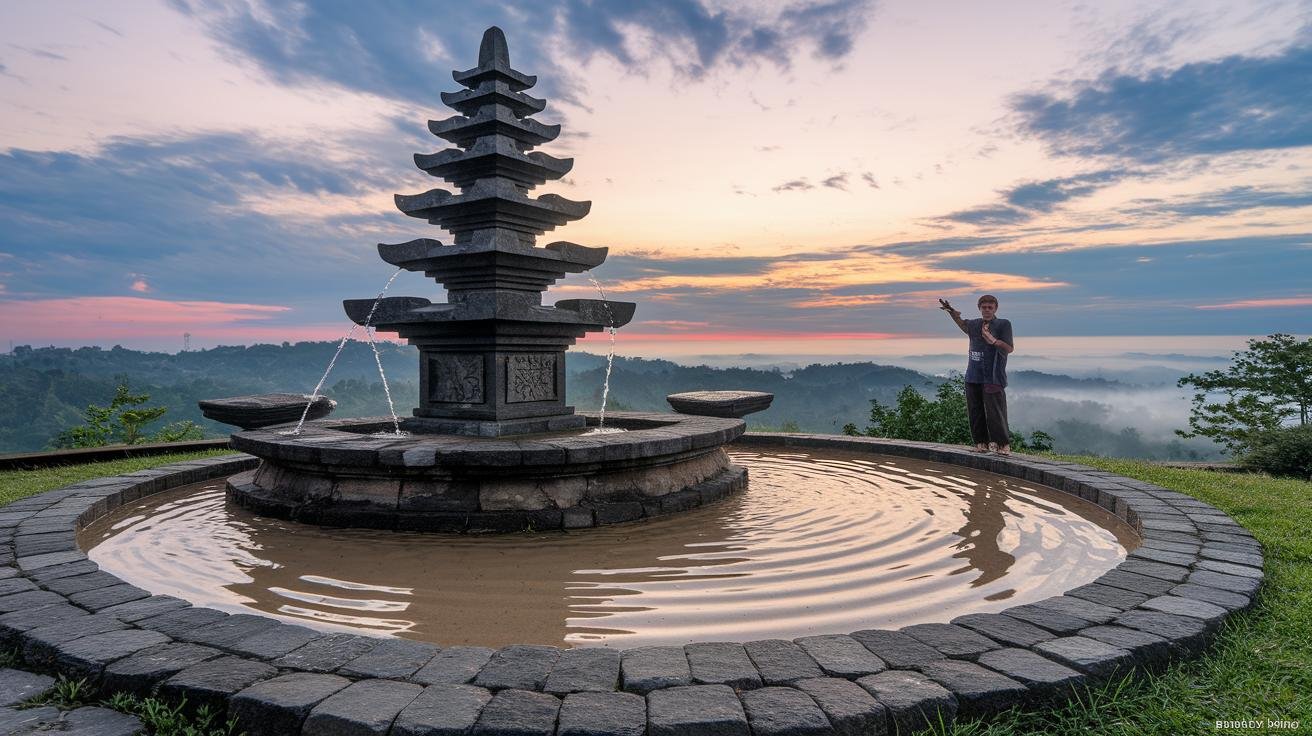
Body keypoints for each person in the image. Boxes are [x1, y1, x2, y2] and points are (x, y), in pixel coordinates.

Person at [938, 295, 1014, 454]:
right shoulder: (974, 324)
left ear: (995, 309)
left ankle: (1003, 444)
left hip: (993, 375)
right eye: (984, 307)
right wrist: (951, 312)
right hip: (973, 375)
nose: (986, 310)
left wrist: (992, 340)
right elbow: (963, 324)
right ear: (979, 308)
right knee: (975, 410)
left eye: (990, 307)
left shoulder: (1003, 324)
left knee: (995, 411)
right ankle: (981, 443)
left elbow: (1009, 348)